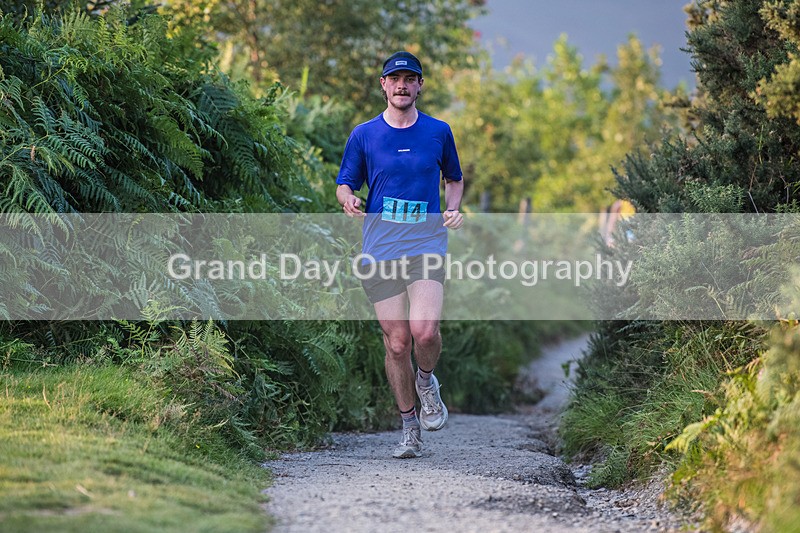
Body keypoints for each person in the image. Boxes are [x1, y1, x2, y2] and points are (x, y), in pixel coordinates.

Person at [335, 51, 464, 458]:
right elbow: (344, 182)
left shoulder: (439, 131)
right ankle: (409, 427)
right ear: (384, 85)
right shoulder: (365, 134)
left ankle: (426, 382)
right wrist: (348, 200)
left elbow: (454, 179)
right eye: (395, 79)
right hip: (380, 247)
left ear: (420, 85)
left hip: (426, 244)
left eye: (410, 78)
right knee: (396, 343)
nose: (403, 85)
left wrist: (452, 207)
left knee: (424, 332)